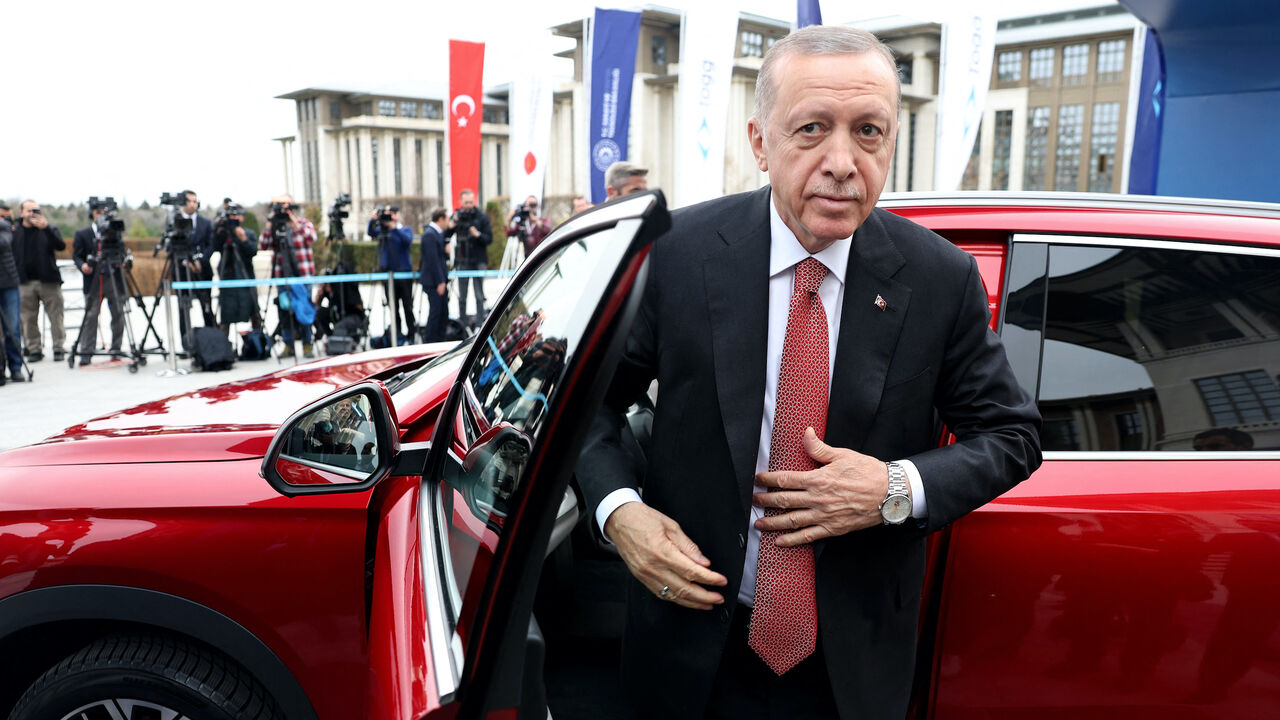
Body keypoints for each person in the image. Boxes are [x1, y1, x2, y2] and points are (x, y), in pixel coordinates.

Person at [575, 26, 1042, 719]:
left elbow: (1011, 435)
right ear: (761, 142)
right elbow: (590, 410)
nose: (843, 162)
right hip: (689, 649)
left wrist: (893, 487)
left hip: (849, 668)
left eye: (869, 132)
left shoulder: (940, 279)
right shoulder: (678, 254)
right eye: (813, 128)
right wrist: (622, 516)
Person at [261, 195, 317, 358]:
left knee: (304, 308)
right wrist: (270, 223)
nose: (284, 210)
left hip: (303, 275)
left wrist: (293, 221)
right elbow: (263, 244)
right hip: (281, 275)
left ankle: (307, 344)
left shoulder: (303, 223)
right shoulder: (274, 227)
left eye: (287, 206)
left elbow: (311, 237)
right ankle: (288, 345)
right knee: (284, 310)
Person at [12, 200, 66, 362]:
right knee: (28, 318)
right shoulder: (14, 231)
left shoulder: (48, 229)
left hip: (48, 280)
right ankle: (34, 349)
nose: (32, 214)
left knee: (56, 316)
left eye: (35, 210)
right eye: (29, 211)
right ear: (21, 213)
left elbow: (61, 246)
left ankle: (59, 347)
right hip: (24, 282)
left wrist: (47, 229)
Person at [72, 204, 126, 366]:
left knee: (118, 314)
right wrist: (82, 266)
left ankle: (116, 349)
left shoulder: (115, 233)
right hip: (93, 279)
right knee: (91, 316)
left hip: (113, 279)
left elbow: (121, 252)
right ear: (92, 214)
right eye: (98, 212)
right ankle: (86, 352)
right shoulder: (83, 234)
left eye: (104, 212)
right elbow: (77, 255)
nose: (101, 215)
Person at [169, 190, 216, 349]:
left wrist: (200, 261)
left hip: (202, 271)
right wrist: (185, 262)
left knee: (207, 306)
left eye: (195, 201)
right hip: (182, 272)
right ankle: (186, 344)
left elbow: (211, 245)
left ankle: (212, 342)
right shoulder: (174, 221)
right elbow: (170, 247)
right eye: (190, 201)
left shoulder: (205, 222)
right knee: (184, 309)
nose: (193, 204)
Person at [368, 205, 416, 343]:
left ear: (398, 215)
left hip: (404, 274)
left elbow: (407, 241)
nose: (391, 216)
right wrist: (373, 220)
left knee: (407, 306)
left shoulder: (404, 229)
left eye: (394, 213)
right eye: (389, 214)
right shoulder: (382, 231)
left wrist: (394, 227)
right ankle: (398, 334)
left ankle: (411, 335)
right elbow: (371, 233)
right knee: (393, 307)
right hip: (388, 275)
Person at [445, 189, 492, 326]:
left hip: (478, 260)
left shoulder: (482, 217)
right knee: (462, 296)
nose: (468, 205)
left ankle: (479, 325)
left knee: (479, 295)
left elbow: (489, 238)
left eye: (471, 202)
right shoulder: (457, 216)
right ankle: (463, 324)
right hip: (462, 259)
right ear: (460, 202)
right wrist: (451, 225)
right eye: (466, 203)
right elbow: (446, 235)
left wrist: (477, 234)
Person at [211, 205, 261, 333]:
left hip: (246, 278)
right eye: (231, 216)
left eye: (237, 215)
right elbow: (214, 246)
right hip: (228, 279)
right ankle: (224, 348)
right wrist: (217, 229)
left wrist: (243, 239)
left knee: (254, 312)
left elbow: (253, 251)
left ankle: (257, 342)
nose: (234, 218)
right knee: (225, 316)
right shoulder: (223, 234)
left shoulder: (248, 233)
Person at [418, 208, 452, 343]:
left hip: (439, 280)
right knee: (436, 313)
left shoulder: (436, 234)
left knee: (443, 313)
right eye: (447, 219)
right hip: (434, 282)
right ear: (441, 219)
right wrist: (440, 282)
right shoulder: (429, 235)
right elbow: (433, 260)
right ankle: (431, 341)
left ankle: (439, 340)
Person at [0, 203, 23, 384]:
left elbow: (4, 242)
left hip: (8, 284)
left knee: (12, 329)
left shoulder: (5, 226)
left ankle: (16, 368)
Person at [506, 195, 552, 260]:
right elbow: (509, 233)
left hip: (542, 257)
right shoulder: (523, 222)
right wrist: (509, 219)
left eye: (533, 204)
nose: (531, 207)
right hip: (527, 258)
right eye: (528, 205)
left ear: (538, 206)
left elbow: (548, 230)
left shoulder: (544, 220)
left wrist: (535, 220)